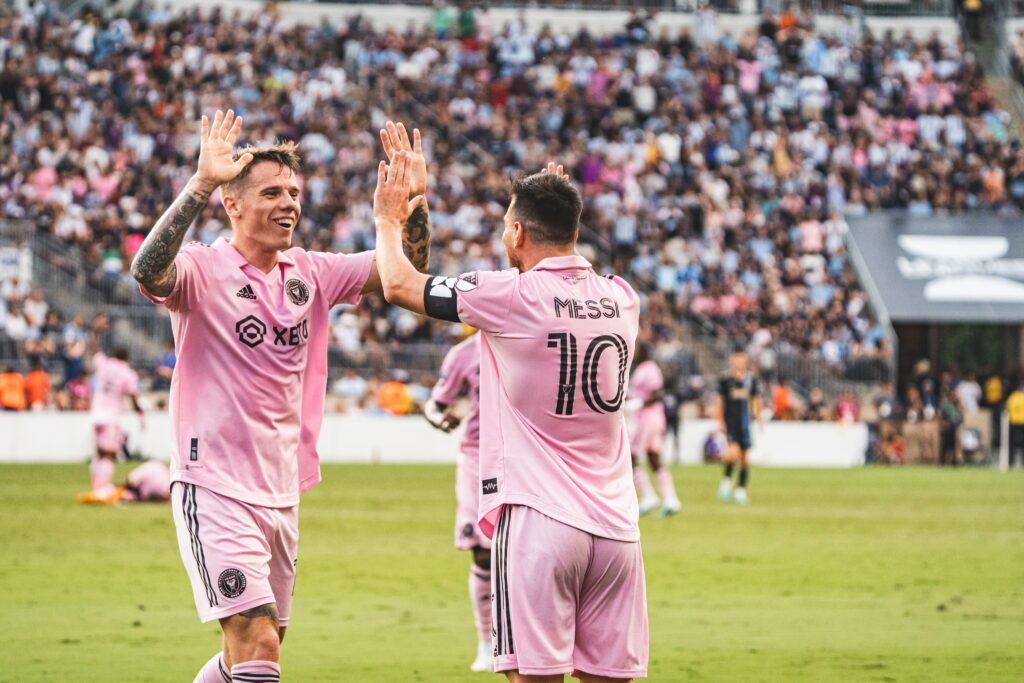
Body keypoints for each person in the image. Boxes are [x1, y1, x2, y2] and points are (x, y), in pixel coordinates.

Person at [130, 111, 431, 683]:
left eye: (294, 192)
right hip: (212, 483)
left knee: (254, 651)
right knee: (259, 640)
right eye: (271, 192)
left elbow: (408, 271)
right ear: (232, 204)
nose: (289, 202)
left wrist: (411, 205)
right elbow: (147, 268)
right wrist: (199, 182)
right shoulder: (202, 269)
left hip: (281, 488)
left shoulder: (312, 272)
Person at [373, 155, 648, 682]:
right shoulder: (622, 298)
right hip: (617, 529)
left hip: (539, 521)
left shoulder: (510, 297)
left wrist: (389, 219)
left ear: (518, 233)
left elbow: (401, 285)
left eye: (506, 227)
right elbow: (564, 268)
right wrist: (555, 201)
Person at [424, 331, 493, 672]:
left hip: (526, 457)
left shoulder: (531, 335)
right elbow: (434, 405)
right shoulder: (463, 354)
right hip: (477, 460)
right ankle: (487, 643)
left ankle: (522, 638)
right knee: (483, 552)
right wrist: (441, 420)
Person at [78, 347, 144, 505]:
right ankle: (101, 489)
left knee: (99, 454)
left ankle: (96, 488)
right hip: (110, 417)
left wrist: (95, 331)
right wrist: (140, 413)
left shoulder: (104, 364)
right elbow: (132, 395)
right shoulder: (127, 372)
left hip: (95, 416)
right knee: (110, 455)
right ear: (127, 358)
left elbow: (92, 352)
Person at [628, 342, 681, 517]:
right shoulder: (642, 369)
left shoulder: (649, 369)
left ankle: (649, 495)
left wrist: (640, 403)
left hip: (648, 418)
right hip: (652, 418)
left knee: (631, 457)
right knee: (653, 457)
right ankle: (670, 498)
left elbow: (658, 393)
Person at [717, 350, 762, 505]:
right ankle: (726, 483)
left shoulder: (750, 380)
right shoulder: (726, 380)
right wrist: (720, 421)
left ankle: (740, 490)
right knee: (732, 454)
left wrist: (759, 416)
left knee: (745, 459)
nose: (738, 362)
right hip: (731, 423)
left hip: (745, 424)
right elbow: (721, 401)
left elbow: (755, 400)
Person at [1006, 381, 1024, 468]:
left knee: (1011, 444)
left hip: (1013, 422)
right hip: (1022, 422)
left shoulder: (1011, 397)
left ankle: (1011, 462)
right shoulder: (1023, 397)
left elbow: (1007, 409)